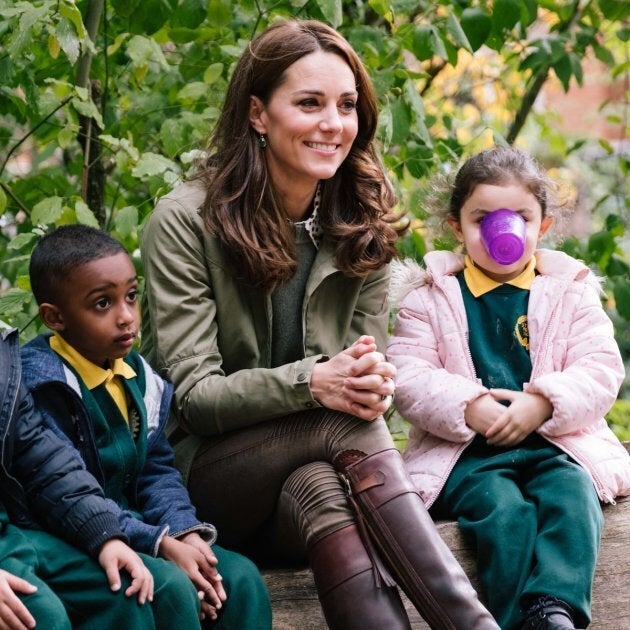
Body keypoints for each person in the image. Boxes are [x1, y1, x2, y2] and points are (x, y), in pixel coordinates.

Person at [140, 18, 497, 630]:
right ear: (258, 114)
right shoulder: (184, 222)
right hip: (203, 479)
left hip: (302, 487)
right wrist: (316, 383)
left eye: (347, 105)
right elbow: (193, 398)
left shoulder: (363, 223)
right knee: (335, 424)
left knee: (321, 487)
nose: (334, 124)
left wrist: (370, 385)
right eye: (309, 103)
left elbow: (364, 393)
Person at [387, 146, 630, 630]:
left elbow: (600, 367)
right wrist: (468, 405)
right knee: (502, 513)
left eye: (519, 216)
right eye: (482, 219)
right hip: (469, 455)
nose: (503, 231)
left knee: (572, 497)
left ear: (541, 226)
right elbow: (407, 374)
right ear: (456, 226)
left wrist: (543, 403)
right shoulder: (429, 298)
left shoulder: (572, 290)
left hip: (555, 446)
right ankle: (517, 621)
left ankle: (553, 607)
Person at [20, 225, 272, 629]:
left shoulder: (139, 375)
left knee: (238, 577)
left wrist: (185, 533)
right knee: (169, 585)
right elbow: (61, 494)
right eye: (102, 304)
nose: (126, 317)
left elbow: (157, 470)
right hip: (79, 533)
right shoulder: (44, 386)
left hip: (141, 525)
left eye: (132, 297)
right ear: (55, 317)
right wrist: (157, 543)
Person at [0, 326, 163, 629]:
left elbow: (40, 457)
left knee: (125, 593)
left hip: (10, 534)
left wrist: (103, 535)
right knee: (41, 617)